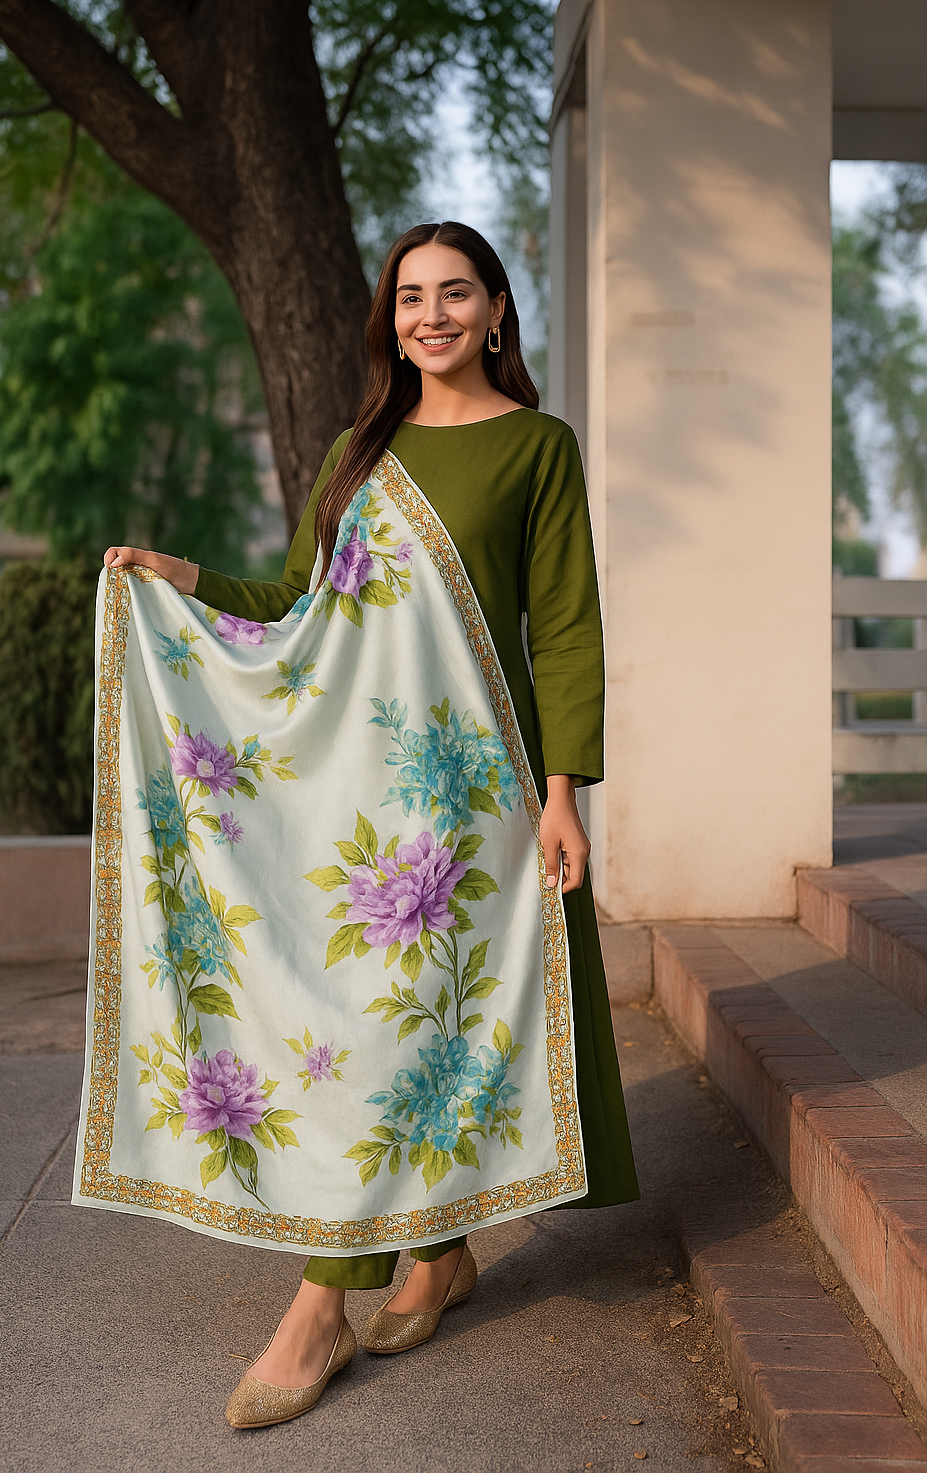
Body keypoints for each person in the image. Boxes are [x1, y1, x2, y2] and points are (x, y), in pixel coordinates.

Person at [104, 221, 638, 1428]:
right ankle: (438, 1252)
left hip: (476, 799)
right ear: (388, 319)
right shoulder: (362, 448)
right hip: (363, 794)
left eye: (456, 294)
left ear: (498, 309)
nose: (431, 316)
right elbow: (301, 608)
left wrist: (564, 794)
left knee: (419, 1032)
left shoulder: (536, 450)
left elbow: (563, 627)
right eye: (410, 298)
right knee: (387, 1031)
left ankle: (317, 1308)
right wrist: (188, 584)